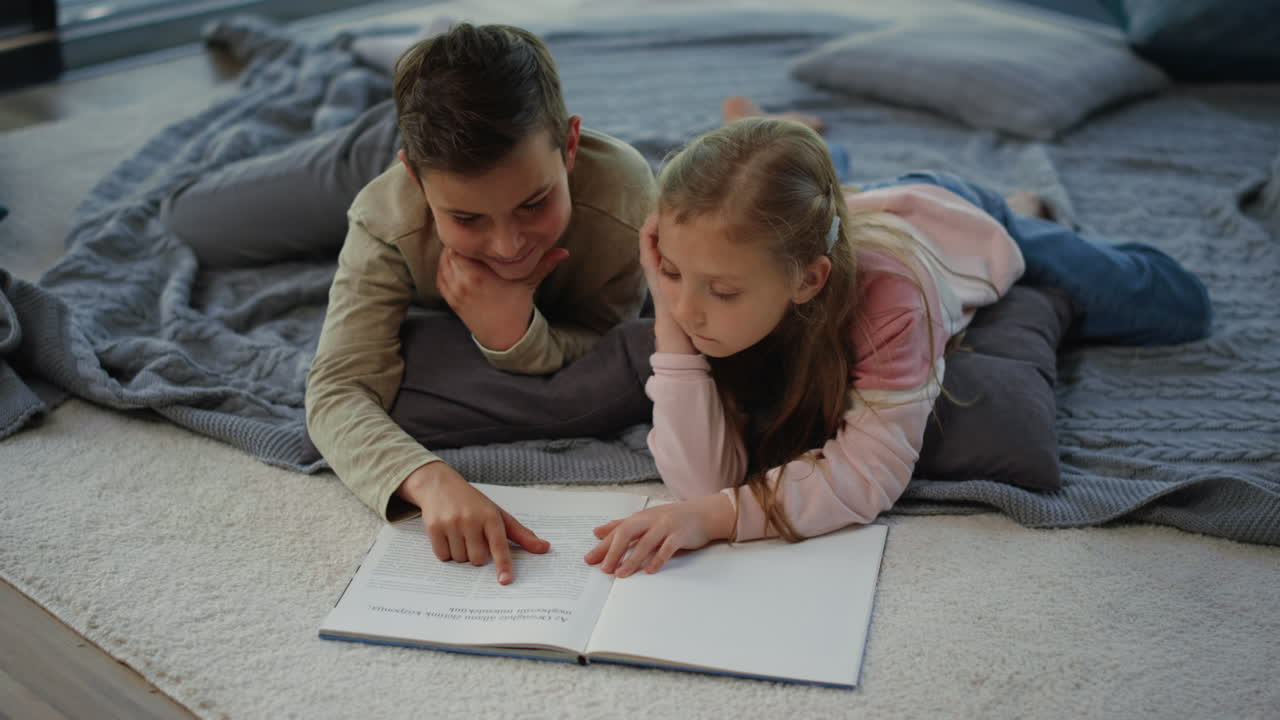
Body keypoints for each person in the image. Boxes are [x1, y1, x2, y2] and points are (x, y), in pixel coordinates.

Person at [584, 115, 1212, 578]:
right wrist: (666, 314)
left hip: (954, 218)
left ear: (809, 280)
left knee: (1172, 307)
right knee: (817, 213)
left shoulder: (890, 303)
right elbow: (701, 481)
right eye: (670, 272)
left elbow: (867, 475)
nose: (690, 310)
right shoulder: (706, 285)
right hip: (846, 221)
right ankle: (827, 167)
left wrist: (715, 519)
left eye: (719, 291)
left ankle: (1024, 208)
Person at [165, 24, 657, 585]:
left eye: (534, 204)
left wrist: (512, 333)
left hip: (427, 184)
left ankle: (426, 59)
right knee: (187, 221)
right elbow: (335, 391)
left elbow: (600, 335)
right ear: (417, 181)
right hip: (370, 163)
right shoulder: (386, 214)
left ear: (570, 147)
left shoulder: (625, 197)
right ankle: (380, 86)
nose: (508, 246)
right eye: (468, 219)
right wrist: (427, 478)